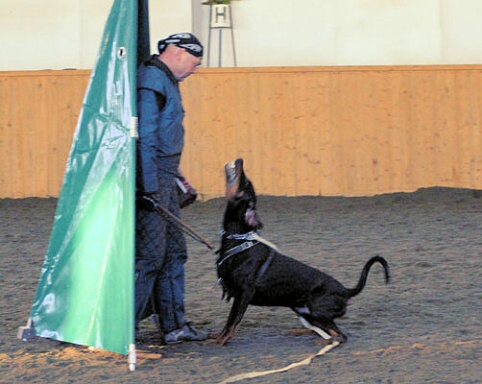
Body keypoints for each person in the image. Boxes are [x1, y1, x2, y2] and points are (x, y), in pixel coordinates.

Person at [135, 32, 207, 343]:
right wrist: (149, 187)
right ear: (178, 53)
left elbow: (160, 137)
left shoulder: (163, 80)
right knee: (150, 257)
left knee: (174, 252)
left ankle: (174, 325)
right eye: (195, 62)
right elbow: (145, 137)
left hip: (163, 178)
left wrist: (175, 174)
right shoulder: (152, 80)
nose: (195, 69)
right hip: (152, 183)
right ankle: (122, 328)